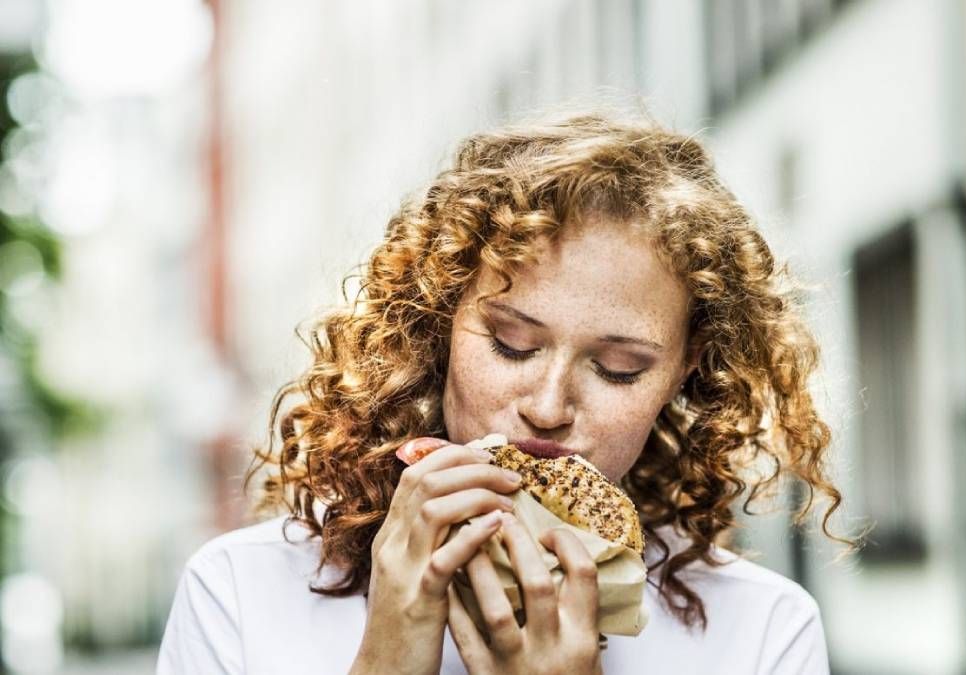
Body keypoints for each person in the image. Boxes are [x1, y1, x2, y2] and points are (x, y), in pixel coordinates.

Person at [156, 110, 847, 674]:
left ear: (684, 372)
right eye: (512, 344)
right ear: (441, 324)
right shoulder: (243, 594)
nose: (548, 406)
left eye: (618, 368)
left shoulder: (760, 633)